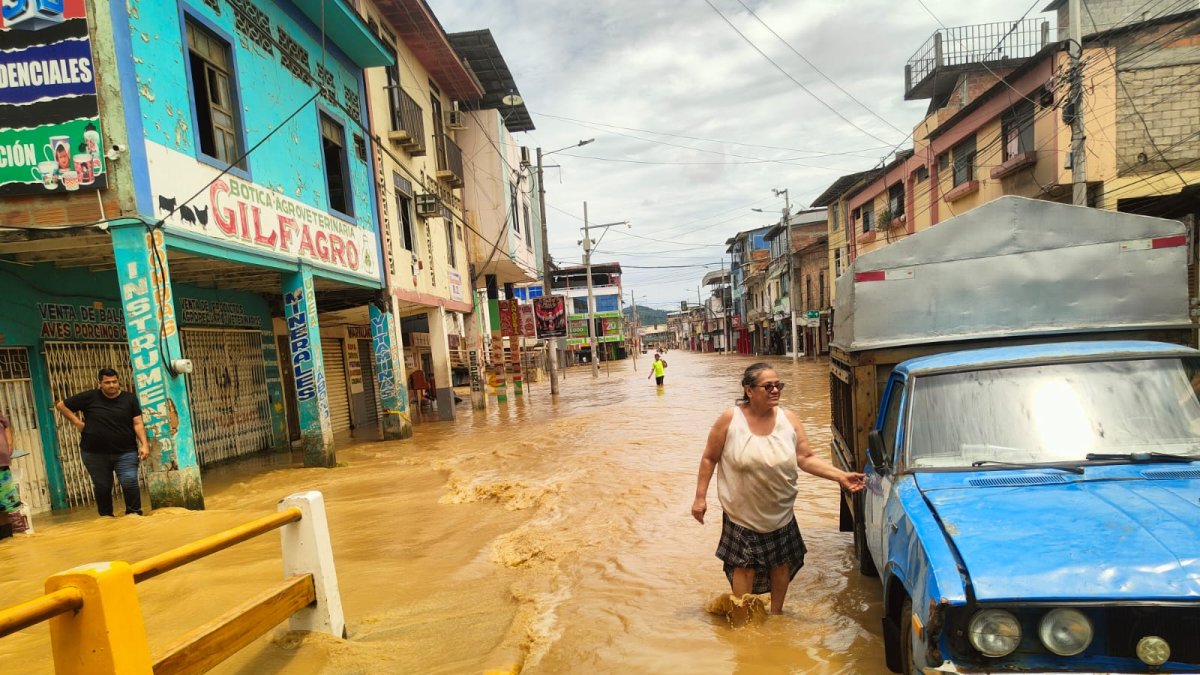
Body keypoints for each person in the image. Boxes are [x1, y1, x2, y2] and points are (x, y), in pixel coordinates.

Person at [692, 362, 865, 624]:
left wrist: (840, 476)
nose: (775, 390)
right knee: (744, 566)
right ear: (749, 390)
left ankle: (776, 615)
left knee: (780, 564)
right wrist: (700, 498)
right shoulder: (730, 419)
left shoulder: (789, 420)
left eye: (778, 385)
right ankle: (742, 623)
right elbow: (709, 458)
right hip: (741, 512)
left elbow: (806, 458)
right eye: (768, 386)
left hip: (780, 509)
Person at [55, 368, 148, 517]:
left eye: (114, 382)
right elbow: (61, 405)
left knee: (129, 482)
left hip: (126, 451)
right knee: (103, 486)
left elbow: (137, 423)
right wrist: (77, 423)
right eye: (107, 382)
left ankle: (134, 515)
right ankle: (106, 518)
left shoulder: (129, 398)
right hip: (94, 453)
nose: (111, 385)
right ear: (100, 384)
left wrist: (144, 444)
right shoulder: (90, 397)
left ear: (118, 382)